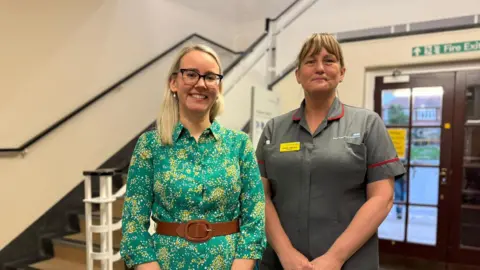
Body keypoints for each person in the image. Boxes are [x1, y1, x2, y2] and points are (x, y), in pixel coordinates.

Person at [256, 33, 406, 270]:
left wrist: (335, 257)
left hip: (349, 261)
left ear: (342, 72)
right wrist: (286, 253)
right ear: (297, 74)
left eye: (329, 60)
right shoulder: (274, 129)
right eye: (310, 61)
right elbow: (260, 197)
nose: (319, 68)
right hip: (282, 262)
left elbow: (382, 198)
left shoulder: (367, 124)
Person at [120, 44, 266, 270]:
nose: (201, 83)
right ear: (173, 82)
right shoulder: (150, 146)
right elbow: (133, 226)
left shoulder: (239, 145)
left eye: (210, 77)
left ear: (218, 87)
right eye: (191, 74)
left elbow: (254, 220)